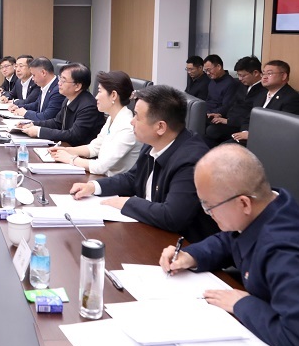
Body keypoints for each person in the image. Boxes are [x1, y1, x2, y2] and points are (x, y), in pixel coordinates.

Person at [160, 144, 299, 346]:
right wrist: (192, 256)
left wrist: (242, 305)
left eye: (209, 207)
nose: (209, 213)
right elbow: (231, 239)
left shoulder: (288, 254)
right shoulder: (267, 207)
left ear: (244, 203)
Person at [69, 85, 218, 243]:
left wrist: (127, 202)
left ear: (160, 127)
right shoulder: (152, 143)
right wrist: (94, 187)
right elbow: (133, 178)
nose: (132, 122)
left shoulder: (191, 160)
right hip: (148, 229)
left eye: (137, 117)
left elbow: (172, 216)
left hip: (181, 245)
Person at [49, 70, 141, 176]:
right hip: (103, 178)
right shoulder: (113, 119)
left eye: (100, 91)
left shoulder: (127, 127)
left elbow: (100, 167)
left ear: (113, 95)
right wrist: (66, 150)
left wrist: (70, 159)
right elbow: (94, 148)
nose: (96, 97)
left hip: (115, 183)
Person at [19, 63, 105, 145]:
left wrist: (39, 131)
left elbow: (74, 135)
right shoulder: (68, 99)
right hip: (67, 147)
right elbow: (57, 122)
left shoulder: (88, 107)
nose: (59, 83)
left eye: (63, 80)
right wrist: (34, 124)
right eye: (60, 79)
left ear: (77, 86)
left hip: (80, 152)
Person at [231, 59, 299, 143]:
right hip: (251, 138)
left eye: (269, 73)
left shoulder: (292, 99)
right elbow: (249, 119)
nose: (264, 77)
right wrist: (245, 131)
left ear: (283, 76)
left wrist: (253, 135)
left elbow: (285, 129)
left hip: (271, 142)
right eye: (263, 73)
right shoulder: (261, 95)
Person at [204, 55, 265, 147]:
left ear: (255, 73)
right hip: (230, 119)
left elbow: (250, 114)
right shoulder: (242, 85)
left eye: (243, 75)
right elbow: (232, 104)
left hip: (240, 125)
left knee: (212, 131)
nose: (240, 79)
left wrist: (228, 121)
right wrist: (220, 114)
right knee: (202, 134)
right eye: (238, 75)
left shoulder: (263, 90)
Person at [7, 57, 64, 122]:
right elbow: (37, 105)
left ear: (43, 73)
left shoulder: (58, 90)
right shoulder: (45, 86)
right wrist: (19, 107)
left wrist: (25, 113)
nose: (32, 79)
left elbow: (46, 117)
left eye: (33, 75)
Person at [203, 54, 239, 118]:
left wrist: (209, 113)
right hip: (207, 112)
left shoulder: (231, 83)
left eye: (209, 70)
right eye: (206, 71)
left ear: (219, 67)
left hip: (218, 115)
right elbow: (208, 100)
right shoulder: (212, 81)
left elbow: (226, 107)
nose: (207, 73)